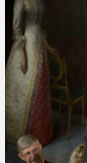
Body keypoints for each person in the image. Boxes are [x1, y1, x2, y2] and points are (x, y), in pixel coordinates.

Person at [5, 0, 58, 146]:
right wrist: (22, 55)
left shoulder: (40, 2)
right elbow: (17, 28)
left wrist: (48, 47)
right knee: (25, 90)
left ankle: (40, 134)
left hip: (39, 45)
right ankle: (22, 135)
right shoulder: (20, 1)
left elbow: (41, 28)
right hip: (27, 47)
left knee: (41, 88)